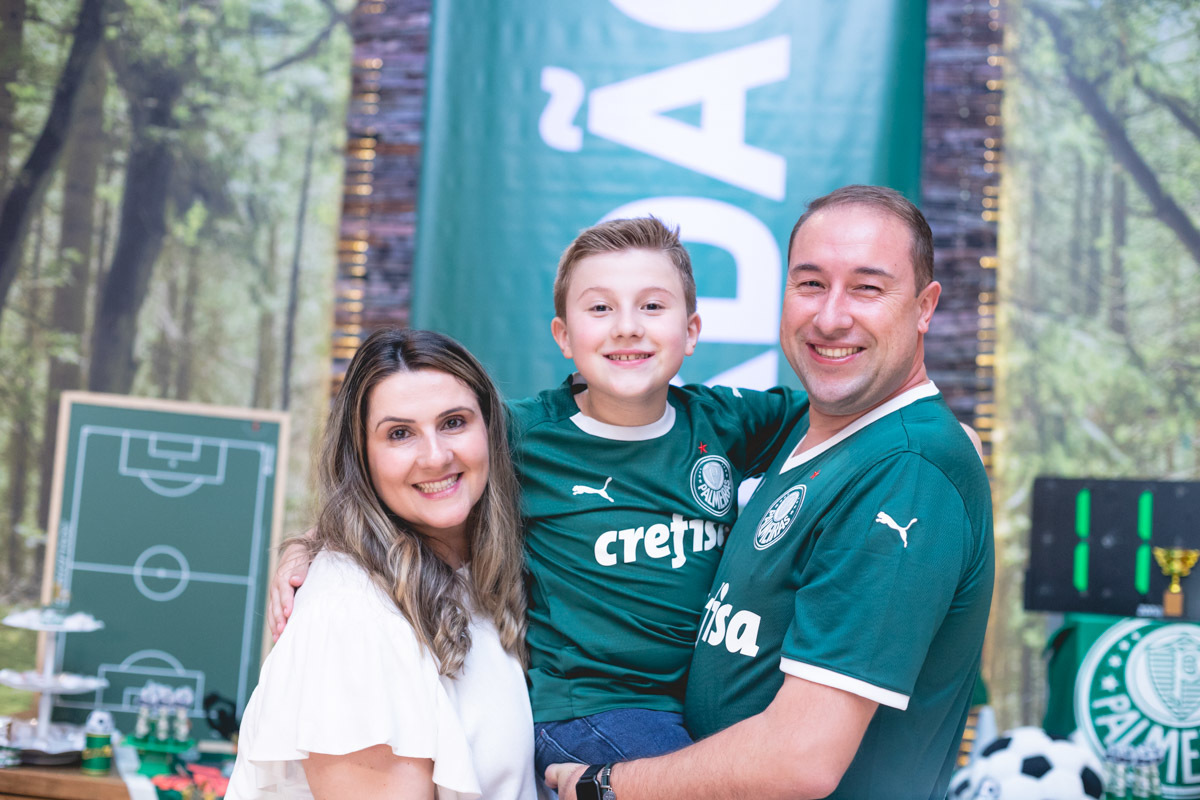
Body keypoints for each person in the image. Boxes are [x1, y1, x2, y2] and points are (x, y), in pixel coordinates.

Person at [268, 218, 808, 776]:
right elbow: (418, 477)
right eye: (599, 309)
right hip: (591, 712)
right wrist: (310, 545)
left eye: (652, 307)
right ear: (564, 336)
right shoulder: (518, 432)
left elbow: (845, 410)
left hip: (691, 703)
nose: (627, 328)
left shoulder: (729, 421)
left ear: (692, 330)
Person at [547, 185, 995, 800]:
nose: (832, 316)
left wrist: (608, 785)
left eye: (867, 287)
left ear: (924, 306)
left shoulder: (906, 472)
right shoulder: (814, 430)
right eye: (810, 284)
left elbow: (801, 759)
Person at [227, 328, 537, 799]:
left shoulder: (483, 572)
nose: (436, 456)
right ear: (361, 457)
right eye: (399, 434)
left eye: (454, 422)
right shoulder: (349, 616)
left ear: (490, 430)